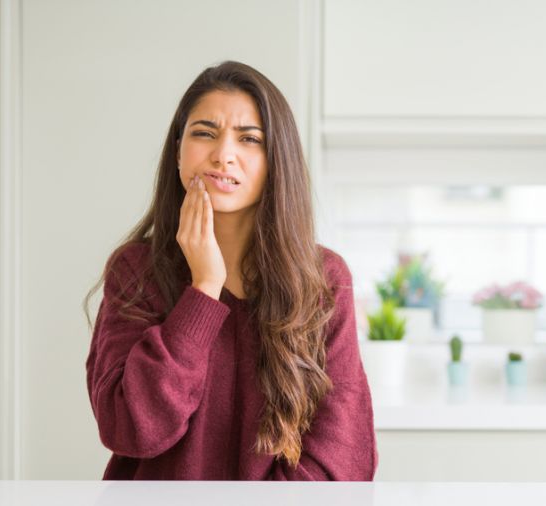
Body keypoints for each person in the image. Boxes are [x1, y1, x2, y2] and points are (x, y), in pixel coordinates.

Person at [83, 61, 377, 480]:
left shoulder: (323, 280)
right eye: (204, 133)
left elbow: (341, 462)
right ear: (178, 148)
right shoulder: (135, 271)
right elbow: (132, 429)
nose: (224, 155)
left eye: (249, 139)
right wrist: (203, 291)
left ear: (277, 160)